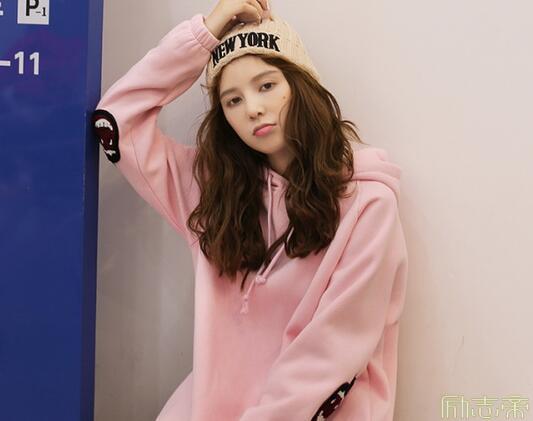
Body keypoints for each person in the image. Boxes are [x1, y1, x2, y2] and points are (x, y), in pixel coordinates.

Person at [91, 1, 409, 420]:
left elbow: (331, 353)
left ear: (301, 85)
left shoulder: (367, 204)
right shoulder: (210, 192)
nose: (253, 109)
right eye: (233, 100)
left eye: (267, 85)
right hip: (209, 407)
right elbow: (116, 119)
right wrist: (204, 34)